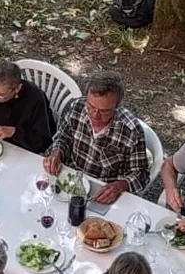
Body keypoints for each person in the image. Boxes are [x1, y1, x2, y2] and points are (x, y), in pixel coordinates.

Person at [43, 74, 150, 203]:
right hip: (69, 181)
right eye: (91, 107)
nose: (95, 115)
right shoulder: (77, 107)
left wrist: (119, 186)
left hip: (103, 192)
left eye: (104, 111)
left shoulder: (131, 130)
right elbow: (63, 138)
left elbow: (141, 174)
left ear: (117, 107)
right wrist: (56, 153)